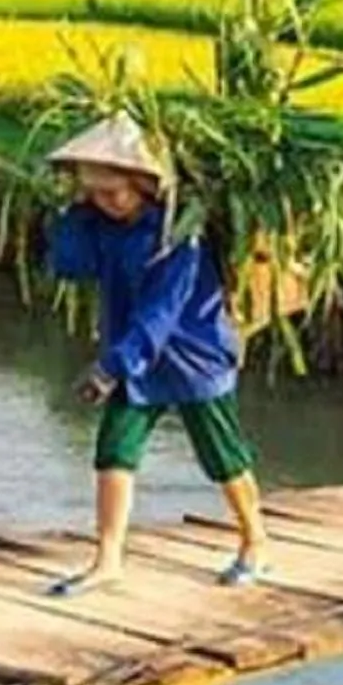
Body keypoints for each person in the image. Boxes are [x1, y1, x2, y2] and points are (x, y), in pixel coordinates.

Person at [42, 112, 269, 595]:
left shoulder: (180, 236)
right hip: (134, 358)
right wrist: (72, 214)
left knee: (222, 454)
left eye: (113, 192)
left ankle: (254, 541)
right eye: (95, 193)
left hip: (192, 358)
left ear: (143, 185)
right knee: (114, 450)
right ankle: (107, 559)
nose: (105, 202)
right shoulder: (103, 226)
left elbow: (159, 315)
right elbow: (69, 265)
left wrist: (111, 367)